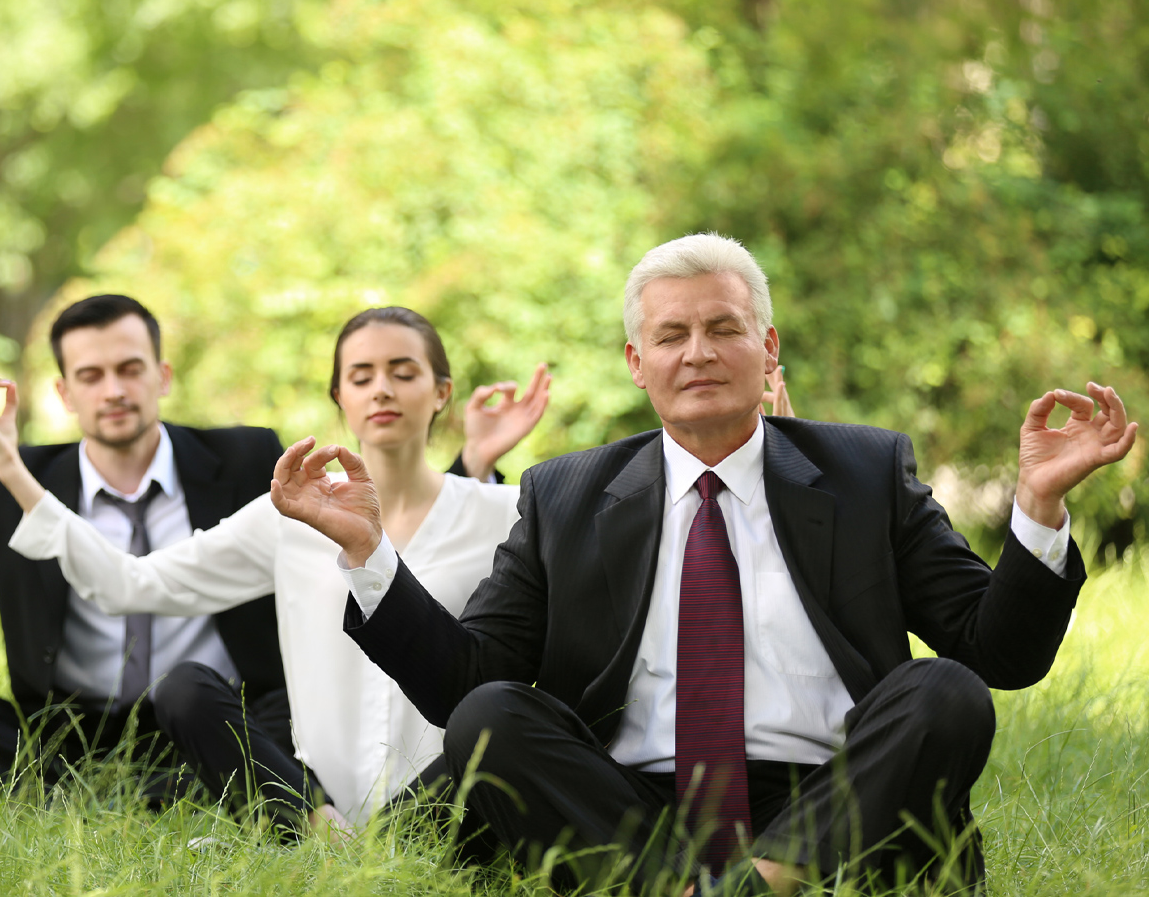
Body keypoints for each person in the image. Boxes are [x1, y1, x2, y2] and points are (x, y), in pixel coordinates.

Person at [269, 234, 1137, 894]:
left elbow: (1000, 655)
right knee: (493, 714)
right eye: (672, 334)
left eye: (724, 328)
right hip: (626, 808)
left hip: (836, 797)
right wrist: (368, 552)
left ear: (766, 351)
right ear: (636, 362)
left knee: (944, 688)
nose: (697, 352)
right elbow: (469, 684)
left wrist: (1039, 508)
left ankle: (769, 877)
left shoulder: (865, 471)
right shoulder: (566, 492)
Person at [0, 294, 524, 821]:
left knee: (217, 699)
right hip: (66, 736)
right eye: (92, 375)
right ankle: (79, 803)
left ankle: (195, 793)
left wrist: (471, 471)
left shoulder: (248, 459)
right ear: (64, 391)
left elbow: (380, 516)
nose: (114, 389)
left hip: (222, 722)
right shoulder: (18, 490)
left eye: (129, 368)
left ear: (162, 375)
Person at [0, 306, 552, 829]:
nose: (382, 390)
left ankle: (388, 841)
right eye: (361, 376)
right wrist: (10, 465)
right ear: (339, 398)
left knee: (499, 718)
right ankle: (320, 832)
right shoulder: (288, 517)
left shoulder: (508, 510)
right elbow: (130, 582)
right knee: (186, 688)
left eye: (403, 372)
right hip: (318, 796)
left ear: (441, 391)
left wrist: (476, 461)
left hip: (444, 794)